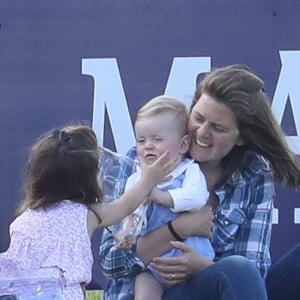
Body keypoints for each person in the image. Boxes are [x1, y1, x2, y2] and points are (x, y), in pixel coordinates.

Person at [99, 64, 300, 300]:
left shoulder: (253, 175)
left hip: (221, 289)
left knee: (240, 268)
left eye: (218, 128)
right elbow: (110, 262)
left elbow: (253, 273)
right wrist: (178, 229)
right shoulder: (143, 160)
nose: (201, 132)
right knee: (238, 268)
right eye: (198, 117)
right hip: (154, 293)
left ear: (241, 138)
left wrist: (202, 266)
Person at [0, 125, 172, 300]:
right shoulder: (86, 214)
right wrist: (149, 179)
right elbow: (125, 206)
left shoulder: (23, 220)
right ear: (89, 179)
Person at [113, 96, 214, 300]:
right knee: (143, 287)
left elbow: (196, 198)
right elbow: (131, 210)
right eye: (141, 140)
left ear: (183, 144)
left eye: (157, 140)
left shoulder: (189, 171)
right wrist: (127, 231)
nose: (148, 146)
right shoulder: (136, 179)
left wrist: (163, 197)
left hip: (191, 257)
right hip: (153, 265)